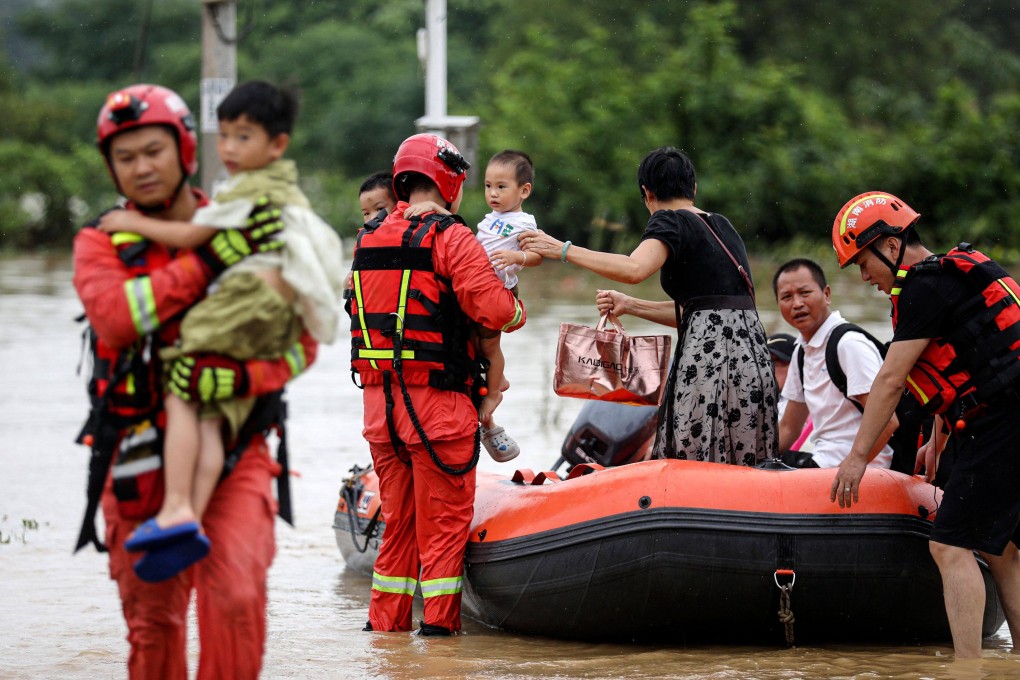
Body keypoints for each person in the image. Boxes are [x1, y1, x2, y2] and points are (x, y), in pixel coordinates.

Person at [73, 83, 318, 678]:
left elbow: (303, 342)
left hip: (237, 447)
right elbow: (116, 318)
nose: (141, 167)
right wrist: (209, 260)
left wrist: (240, 373)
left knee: (236, 597)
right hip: (135, 457)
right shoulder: (100, 242)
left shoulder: (251, 222)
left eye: (153, 151)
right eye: (125, 158)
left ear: (183, 150)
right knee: (153, 623)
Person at [96, 80, 343, 580]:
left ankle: (180, 505)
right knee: (209, 413)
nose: (229, 149)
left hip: (244, 306)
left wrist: (129, 223)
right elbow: (113, 316)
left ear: (276, 145)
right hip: (268, 318)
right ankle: (186, 514)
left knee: (181, 384)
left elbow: (190, 236)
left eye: (243, 137)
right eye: (224, 136)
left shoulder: (246, 193)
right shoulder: (280, 189)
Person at [348, 133, 526, 635]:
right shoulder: (451, 237)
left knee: (398, 526)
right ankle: (441, 639)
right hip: (438, 409)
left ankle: (385, 637)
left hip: (380, 408)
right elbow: (495, 311)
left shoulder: (370, 235)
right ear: (450, 180)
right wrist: (517, 309)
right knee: (444, 528)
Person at [829, 190, 1020, 658]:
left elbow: (892, 380)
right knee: (1002, 548)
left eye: (862, 261)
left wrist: (857, 458)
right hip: (1001, 415)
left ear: (891, 247)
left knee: (950, 545)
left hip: (1005, 420)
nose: (864, 276)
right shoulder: (951, 271)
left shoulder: (920, 286)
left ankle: (967, 669)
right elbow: (964, 359)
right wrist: (939, 433)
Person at [523, 147, 778, 465]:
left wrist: (562, 249)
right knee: (744, 462)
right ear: (693, 189)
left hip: (709, 364)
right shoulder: (722, 226)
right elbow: (702, 314)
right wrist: (630, 305)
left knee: (693, 461)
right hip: (751, 359)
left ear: (647, 193)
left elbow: (634, 269)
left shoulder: (668, 222)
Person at [773, 258, 896, 469]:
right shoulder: (802, 351)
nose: (797, 304)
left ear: (827, 294)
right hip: (823, 461)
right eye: (787, 297)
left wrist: (850, 468)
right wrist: (751, 462)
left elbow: (888, 422)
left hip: (862, 469)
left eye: (804, 293)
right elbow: (788, 428)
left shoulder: (848, 345)